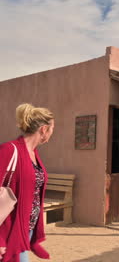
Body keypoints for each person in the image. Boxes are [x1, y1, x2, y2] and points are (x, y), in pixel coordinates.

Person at [0, 103, 54, 262]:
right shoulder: (9, 150)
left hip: (27, 228)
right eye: (52, 130)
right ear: (43, 130)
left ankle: (31, 242)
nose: (51, 134)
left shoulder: (33, 153)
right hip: (10, 231)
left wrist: (33, 239)